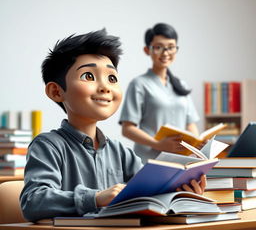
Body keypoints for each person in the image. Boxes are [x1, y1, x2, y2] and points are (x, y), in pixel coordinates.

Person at [20, 29, 206, 222]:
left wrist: (182, 194)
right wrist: (95, 198)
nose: (105, 87)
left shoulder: (120, 152)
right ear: (56, 92)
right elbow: (33, 201)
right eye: (88, 76)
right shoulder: (47, 146)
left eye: (112, 78)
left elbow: (150, 195)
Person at [119, 23, 200, 164]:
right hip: (149, 161)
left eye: (171, 47)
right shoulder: (139, 84)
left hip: (179, 161)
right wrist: (158, 144)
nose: (166, 53)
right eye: (158, 47)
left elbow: (190, 124)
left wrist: (197, 146)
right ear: (147, 50)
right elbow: (128, 129)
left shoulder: (181, 86)